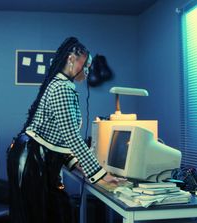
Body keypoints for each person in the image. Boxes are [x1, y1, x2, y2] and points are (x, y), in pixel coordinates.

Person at [7, 37, 120, 223]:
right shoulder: (62, 87)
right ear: (71, 59)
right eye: (85, 65)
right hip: (33, 159)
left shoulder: (63, 85)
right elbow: (70, 136)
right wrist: (101, 174)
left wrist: (78, 164)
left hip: (38, 157)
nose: (87, 71)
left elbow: (60, 138)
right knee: (37, 216)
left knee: (57, 211)